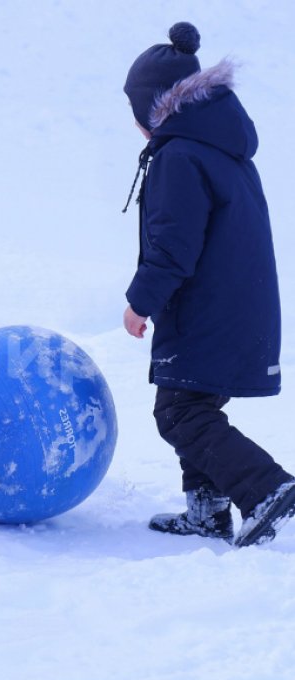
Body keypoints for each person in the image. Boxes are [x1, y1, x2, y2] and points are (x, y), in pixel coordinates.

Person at [121, 22, 295, 548]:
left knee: (180, 413)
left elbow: (173, 246)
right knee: (189, 404)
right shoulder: (218, 147)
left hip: (208, 311)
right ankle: (206, 509)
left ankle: (268, 488)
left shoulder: (180, 156)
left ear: (155, 108)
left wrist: (139, 301)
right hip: (231, 307)